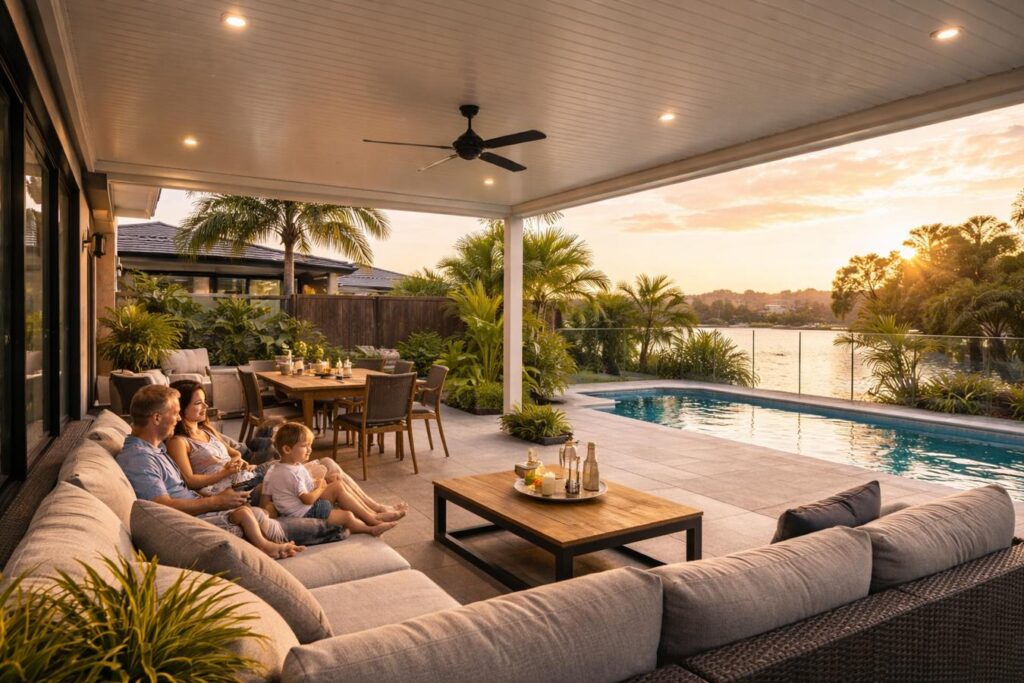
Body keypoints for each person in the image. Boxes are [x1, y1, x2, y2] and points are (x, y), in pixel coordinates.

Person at [116, 384, 303, 559]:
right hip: (193, 520)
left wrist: (214, 497)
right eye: (175, 413)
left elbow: (182, 488)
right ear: (156, 418)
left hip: (205, 503)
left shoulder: (155, 450)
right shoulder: (139, 458)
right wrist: (215, 502)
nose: (179, 418)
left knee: (271, 493)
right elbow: (162, 506)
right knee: (274, 485)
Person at [261, 422, 403, 536]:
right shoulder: (294, 473)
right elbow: (308, 499)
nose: (310, 449)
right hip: (305, 511)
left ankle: (374, 514)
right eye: (305, 446)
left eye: (310, 445)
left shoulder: (274, 470)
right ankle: (372, 525)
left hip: (297, 507)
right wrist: (321, 487)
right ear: (287, 449)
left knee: (337, 484)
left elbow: (266, 498)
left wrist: (315, 483)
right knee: (346, 515)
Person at [166, 380, 262, 497]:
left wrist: (238, 463)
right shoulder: (178, 442)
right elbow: (190, 481)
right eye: (198, 403)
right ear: (181, 408)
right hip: (227, 489)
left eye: (204, 401)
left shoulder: (207, 429)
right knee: (278, 474)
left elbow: (235, 453)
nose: (206, 406)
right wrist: (225, 472)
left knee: (279, 467)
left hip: (243, 477)